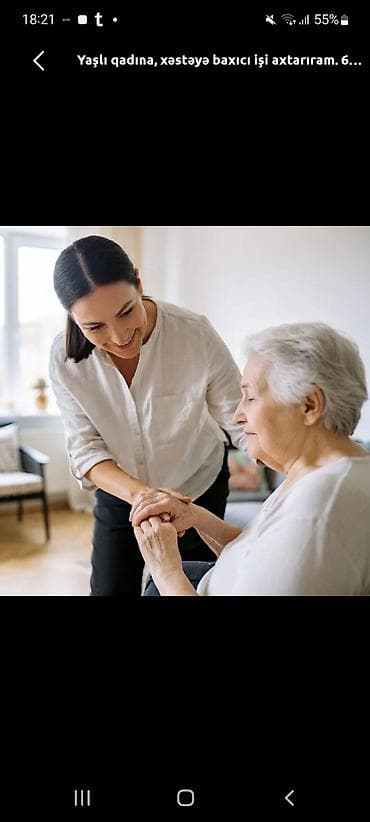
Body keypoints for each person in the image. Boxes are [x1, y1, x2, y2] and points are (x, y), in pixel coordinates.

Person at [49, 235, 247, 596]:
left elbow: (240, 420)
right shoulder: (64, 360)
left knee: (199, 586)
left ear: (139, 283)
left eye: (126, 311)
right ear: (74, 320)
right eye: (95, 327)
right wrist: (144, 497)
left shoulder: (194, 334)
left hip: (196, 491)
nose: (120, 336)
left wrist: (304, 463)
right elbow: (86, 449)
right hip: (121, 493)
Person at [131, 322, 370, 596]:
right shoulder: (318, 471)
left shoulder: (321, 507)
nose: (237, 416)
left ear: (309, 405)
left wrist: (164, 568)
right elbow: (254, 559)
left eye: (251, 397)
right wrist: (193, 516)